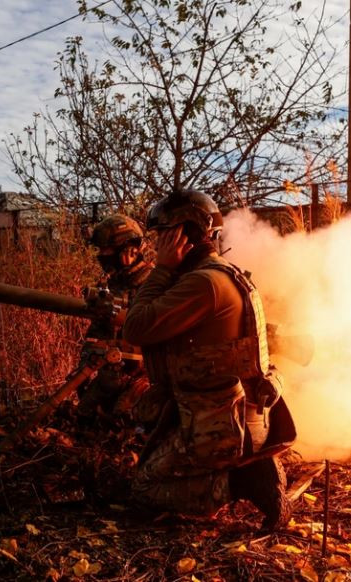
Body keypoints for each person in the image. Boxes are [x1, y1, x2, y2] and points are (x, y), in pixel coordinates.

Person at [122, 189, 296, 529]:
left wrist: (162, 269)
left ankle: (243, 481)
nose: (156, 244)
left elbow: (136, 327)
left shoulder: (203, 283)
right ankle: (247, 467)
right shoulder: (222, 273)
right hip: (235, 418)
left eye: (162, 235)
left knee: (144, 488)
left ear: (182, 234)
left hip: (221, 427)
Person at [76, 214, 153, 421]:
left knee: (123, 419)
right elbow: (97, 334)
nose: (102, 255)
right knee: (83, 413)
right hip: (111, 373)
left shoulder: (153, 285)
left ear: (130, 251)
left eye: (106, 250)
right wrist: (84, 366)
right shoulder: (113, 283)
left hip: (143, 378)